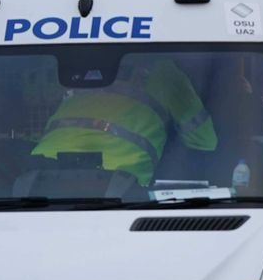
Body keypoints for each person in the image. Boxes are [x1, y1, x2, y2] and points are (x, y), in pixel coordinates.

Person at [32, 57, 216, 186]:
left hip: (43, 168)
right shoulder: (164, 70)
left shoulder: (89, 63)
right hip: (119, 178)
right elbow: (206, 141)